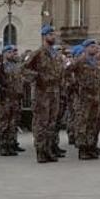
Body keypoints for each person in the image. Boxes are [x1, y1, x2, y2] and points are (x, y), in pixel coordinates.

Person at [25, 24, 63, 164]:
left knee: (51, 123)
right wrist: (37, 77)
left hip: (55, 92)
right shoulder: (37, 53)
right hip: (42, 94)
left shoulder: (56, 54)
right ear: (44, 36)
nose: (53, 37)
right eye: (50, 35)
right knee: (41, 123)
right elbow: (23, 69)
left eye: (54, 35)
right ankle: (40, 151)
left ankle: (48, 149)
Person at [0, 44, 23, 156]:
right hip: (4, 99)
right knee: (4, 123)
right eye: (9, 52)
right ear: (4, 54)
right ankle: (3, 146)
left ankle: (11, 144)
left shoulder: (16, 66)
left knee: (13, 122)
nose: (12, 54)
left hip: (14, 98)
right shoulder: (1, 66)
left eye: (12, 52)